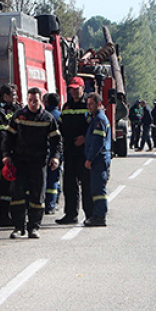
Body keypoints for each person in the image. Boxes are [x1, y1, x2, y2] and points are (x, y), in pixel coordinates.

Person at [3, 87, 61, 239]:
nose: (32, 103)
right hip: (19, 161)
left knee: (37, 196)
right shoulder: (18, 116)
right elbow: (8, 137)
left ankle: (34, 227)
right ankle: (18, 227)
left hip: (38, 162)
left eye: (35, 101)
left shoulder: (48, 119)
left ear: (40, 101)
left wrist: (55, 157)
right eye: (30, 100)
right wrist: (6, 155)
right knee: (17, 195)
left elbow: (56, 141)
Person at [57, 77, 91, 225]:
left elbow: (95, 126)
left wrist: (85, 138)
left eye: (76, 89)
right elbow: (61, 126)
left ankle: (90, 214)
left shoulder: (89, 105)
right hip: (70, 151)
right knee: (69, 185)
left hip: (84, 152)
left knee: (87, 185)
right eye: (72, 89)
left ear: (83, 89)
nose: (74, 92)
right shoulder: (66, 107)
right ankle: (70, 215)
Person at [0, 83, 18, 226]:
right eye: (13, 95)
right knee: (5, 184)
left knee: (9, 183)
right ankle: (3, 216)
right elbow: (0, 135)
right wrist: (8, 152)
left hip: (10, 152)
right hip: (3, 153)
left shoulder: (11, 108)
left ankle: (8, 215)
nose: (15, 98)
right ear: (5, 96)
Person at [83, 92, 111, 227]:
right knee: (96, 189)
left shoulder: (99, 120)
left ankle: (100, 216)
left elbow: (97, 142)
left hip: (99, 160)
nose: (89, 107)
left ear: (98, 104)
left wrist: (89, 159)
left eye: (91, 104)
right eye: (88, 104)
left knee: (98, 190)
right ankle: (98, 215)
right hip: (99, 160)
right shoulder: (96, 118)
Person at [43, 92, 63, 215]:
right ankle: (51, 205)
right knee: (54, 178)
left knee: (42, 178)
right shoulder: (60, 116)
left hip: (43, 150)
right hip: (56, 151)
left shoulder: (43, 115)